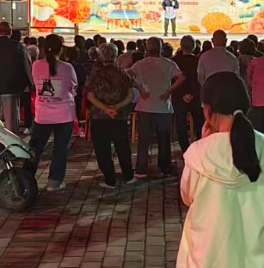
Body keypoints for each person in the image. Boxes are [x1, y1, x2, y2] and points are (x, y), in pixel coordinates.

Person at [176, 71, 264, 268]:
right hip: (259, 265)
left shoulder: (198, 153)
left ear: (207, 110)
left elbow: (188, 197)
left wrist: (206, 144)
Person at [27, 34, 78, 191]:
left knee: (35, 148)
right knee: (60, 149)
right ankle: (54, 182)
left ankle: (25, 178)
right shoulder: (67, 67)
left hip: (42, 115)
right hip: (64, 114)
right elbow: (73, 88)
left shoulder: (36, 65)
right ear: (61, 49)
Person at [130, 37, 185, 177]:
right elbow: (181, 77)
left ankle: (141, 169)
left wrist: (139, 88)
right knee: (164, 139)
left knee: (144, 139)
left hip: (144, 106)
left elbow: (127, 75)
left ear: (146, 48)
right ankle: (164, 167)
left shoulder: (141, 64)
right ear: (161, 48)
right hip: (163, 106)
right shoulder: (169, 63)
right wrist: (169, 91)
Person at [85, 43, 136, 188]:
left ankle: (110, 179)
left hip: (99, 117)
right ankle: (128, 176)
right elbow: (130, 95)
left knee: (103, 149)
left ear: (100, 56)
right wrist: (116, 107)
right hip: (119, 116)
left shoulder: (96, 74)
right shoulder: (123, 73)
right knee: (123, 147)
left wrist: (105, 109)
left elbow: (90, 96)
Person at [0, 21, 34, 133]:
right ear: (10, 32)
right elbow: (26, 66)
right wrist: (29, 84)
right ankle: (11, 142)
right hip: (11, 88)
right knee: (11, 124)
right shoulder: (18, 46)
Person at [172, 35, 204, 153]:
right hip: (196, 95)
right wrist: (193, 94)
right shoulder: (198, 60)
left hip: (178, 96)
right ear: (194, 46)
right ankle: (199, 148)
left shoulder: (174, 60)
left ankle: (185, 150)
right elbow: (200, 79)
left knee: (181, 124)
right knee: (199, 124)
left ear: (181, 46)